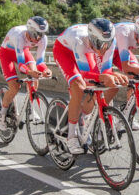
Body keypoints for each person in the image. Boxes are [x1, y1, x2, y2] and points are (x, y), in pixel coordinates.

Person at [53, 18, 127, 154]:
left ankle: (84, 115)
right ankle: (71, 137)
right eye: (100, 44)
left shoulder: (108, 42)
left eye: (107, 44)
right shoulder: (80, 40)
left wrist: (112, 75)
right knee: (78, 87)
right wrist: (102, 76)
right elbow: (84, 75)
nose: (104, 49)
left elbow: (106, 71)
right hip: (65, 51)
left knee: (107, 85)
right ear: (92, 38)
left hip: (87, 52)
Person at [0, 16, 53, 124]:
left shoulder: (43, 39)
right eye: (37, 34)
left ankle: (31, 108)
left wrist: (45, 70)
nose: (39, 38)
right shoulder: (19, 36)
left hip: (23, 51)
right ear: (30, 31)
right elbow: (22, 65)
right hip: (6, 54)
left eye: (42, 34)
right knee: (15, 87)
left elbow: (40, 61)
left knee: (35, 78)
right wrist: (30, 72)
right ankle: (2, 115)